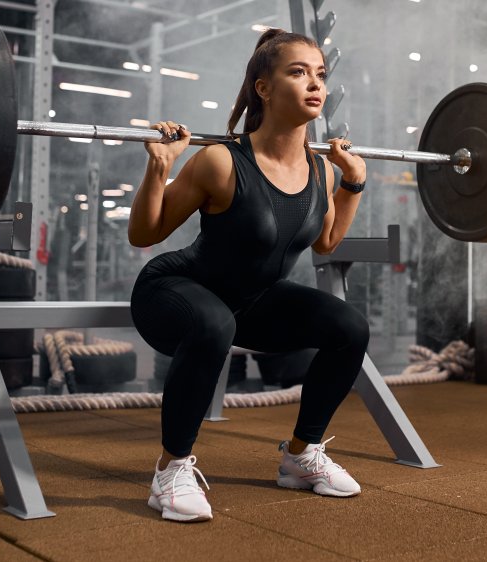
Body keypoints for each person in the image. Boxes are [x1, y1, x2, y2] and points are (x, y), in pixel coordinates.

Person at [127, 28, 369, 523]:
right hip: (173, 292)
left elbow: (325, 242)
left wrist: (354, 182)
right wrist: (159, 168)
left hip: (250, 303)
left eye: (320, 74)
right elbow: (144, 233)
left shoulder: (319, 170)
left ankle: (301, 455)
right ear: (264, 87)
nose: (315, 84)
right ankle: (170, 470)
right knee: (214, 323)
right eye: (298, 72)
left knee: (349, 328)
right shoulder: (221, 161)